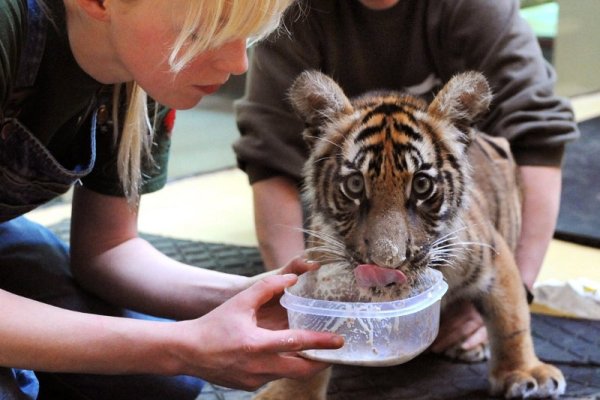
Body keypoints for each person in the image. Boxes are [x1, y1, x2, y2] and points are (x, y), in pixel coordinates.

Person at [0, 0, 345, 398]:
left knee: (168, 386)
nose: (238, 64)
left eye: (245, 36)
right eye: (205, 32)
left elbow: (109, 249)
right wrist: (180, 347)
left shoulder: (143, 69)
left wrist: (253, 292)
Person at [234, 0, 579, 358]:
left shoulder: (475, 7)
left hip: (456, 213)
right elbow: (269, 158)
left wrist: (513, 298)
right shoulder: (293, 10)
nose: (389, 256)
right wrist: (302, 313)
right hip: (343, 217)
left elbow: (539, 140)